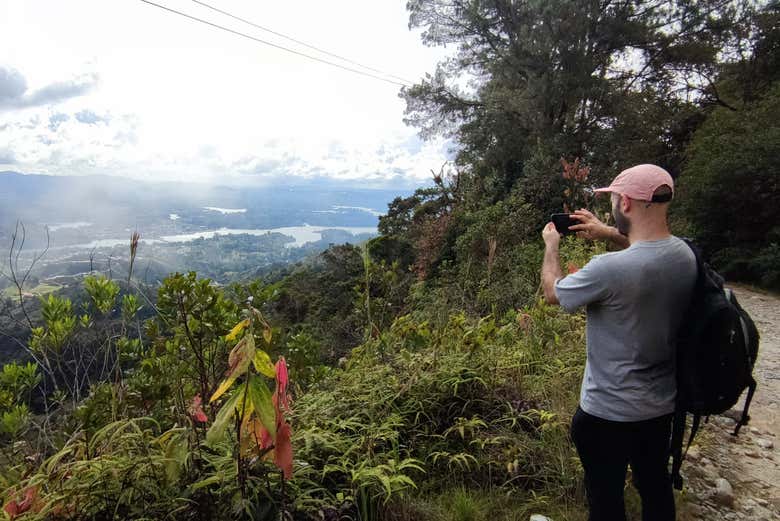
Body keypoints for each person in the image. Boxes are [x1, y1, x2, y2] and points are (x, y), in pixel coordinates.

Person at [540, 164, 697, 521]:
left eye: (613, 200)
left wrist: (552, 246)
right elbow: (646, 249)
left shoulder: (608, 269)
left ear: (625, 203)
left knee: (605, 500)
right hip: (661, 408)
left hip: (606, 412)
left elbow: (553, 293)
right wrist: (606, 231)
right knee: (655, 487)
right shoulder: (685, 256)